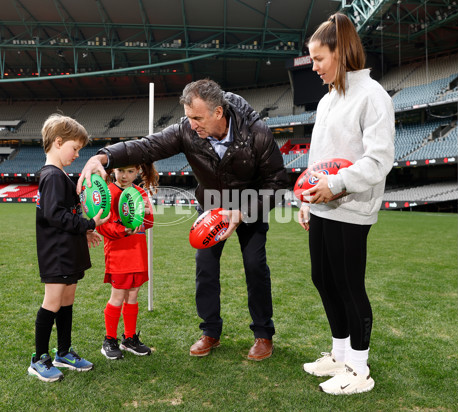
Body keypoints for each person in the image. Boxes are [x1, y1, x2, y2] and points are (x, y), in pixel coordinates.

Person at [78, 79, 289, 360]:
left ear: (218, 112)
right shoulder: (185, 129)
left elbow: (277, 183)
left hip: (250, 205)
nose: (192, 125)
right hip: (212, 205)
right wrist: (104, 158)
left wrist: (243, 211)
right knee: (205, 268)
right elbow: (147, 147)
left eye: (197, 118)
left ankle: (263, 335)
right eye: (189, 118)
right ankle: (210, 332)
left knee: (254, 266)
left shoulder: (257, 132)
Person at [297, 13, 395, 395]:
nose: (315, 67)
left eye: (319, 58)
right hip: (322, 206)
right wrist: (308, 196)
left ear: (341, 52)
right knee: (322, 278)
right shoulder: (327, 101)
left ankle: (359, 369)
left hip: (352, 207)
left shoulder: (373, 97)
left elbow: (379, 159)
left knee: (349, 284)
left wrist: (335, 184)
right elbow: (318, 156)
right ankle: (339, 355)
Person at [28, 114, 109, 382]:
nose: (77, 154)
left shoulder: (60, 174)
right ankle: (39, 359)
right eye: (75, 148)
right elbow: (54, 215)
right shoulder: (51, 176)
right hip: (57, 254)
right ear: (58, 142)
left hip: (69, 249)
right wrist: (89, 222)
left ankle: (63, 352)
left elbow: (64, 214)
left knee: (67, 301)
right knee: (52, 303)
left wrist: (82, 231)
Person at [97, 163, 158, 359]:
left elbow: (148, 224)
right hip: (119, 254)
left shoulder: (140, 193)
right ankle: (109, 340)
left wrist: (148, 212)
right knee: (118, 296)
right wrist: (124, 230)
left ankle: (129, 339)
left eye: (130, 171)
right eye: (121, 170)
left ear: (138, 172)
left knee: (133, 295)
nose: (125, 175)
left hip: (138, 252)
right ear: (113, 171)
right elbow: (102, 226)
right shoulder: (107, 193)